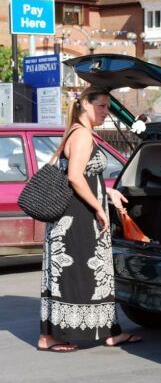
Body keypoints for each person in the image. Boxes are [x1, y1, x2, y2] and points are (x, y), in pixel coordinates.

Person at [37, 86, 141, 352]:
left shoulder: (75, 131)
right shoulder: (82, 134)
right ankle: (51, 336)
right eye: (102, 106)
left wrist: (107, 191)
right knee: (79, 274)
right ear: (85, 104)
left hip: (71, 216)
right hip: (77, 217)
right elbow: (74, 176)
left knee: (85, 275)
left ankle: (107, 331)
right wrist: (99, 207)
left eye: (108, 107)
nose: (106, 112)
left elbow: (84, 176)